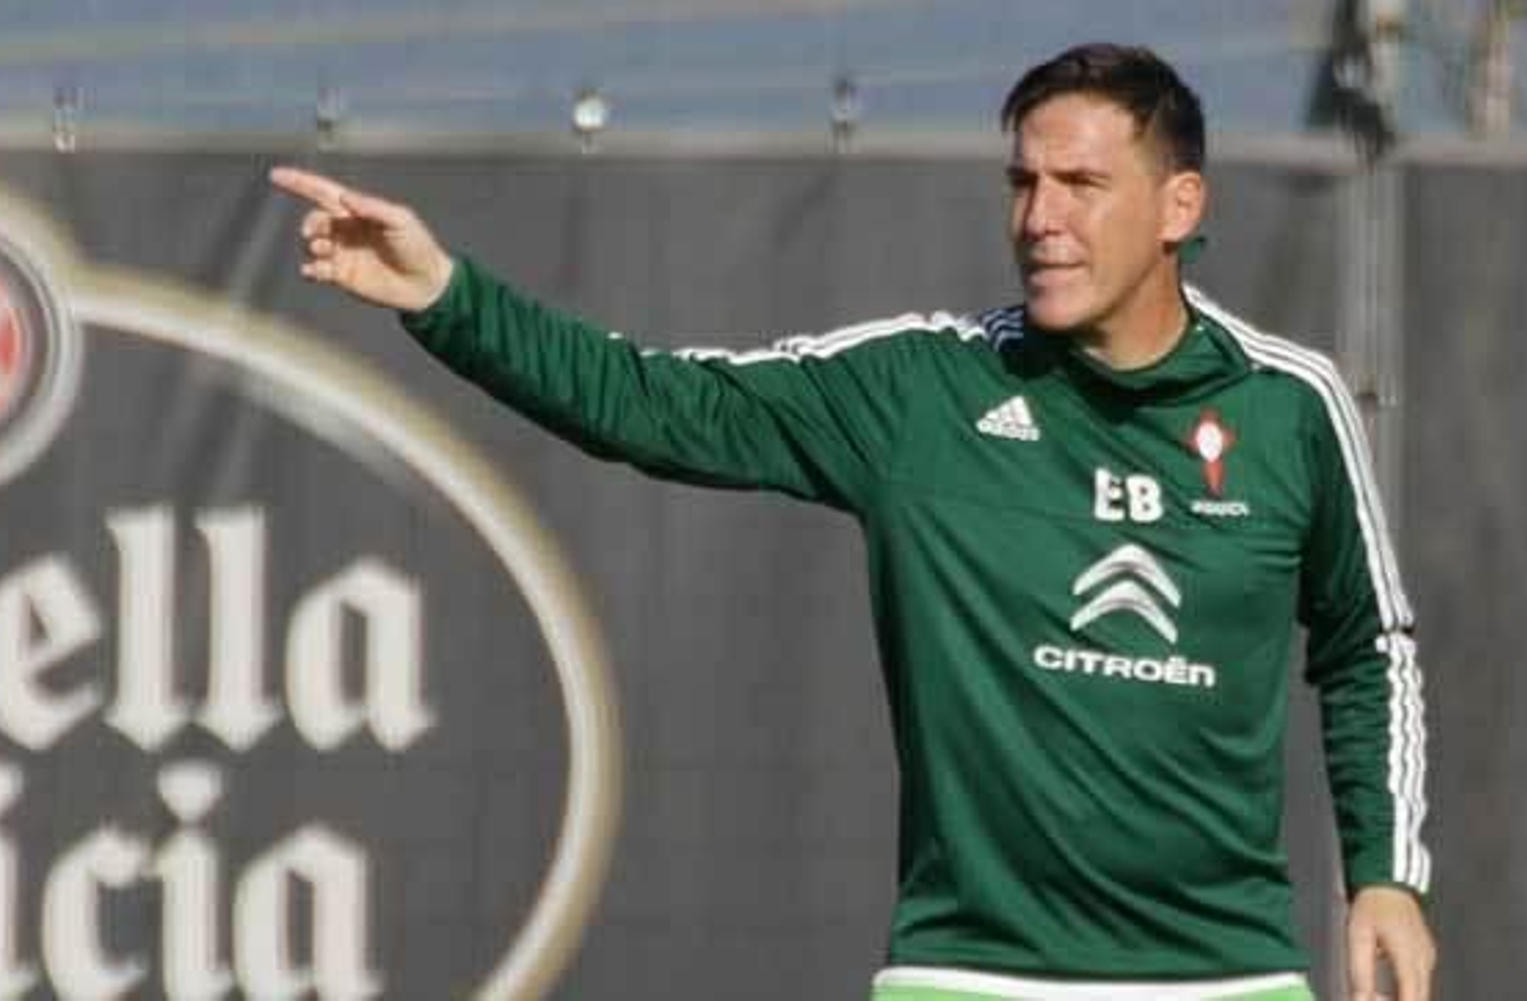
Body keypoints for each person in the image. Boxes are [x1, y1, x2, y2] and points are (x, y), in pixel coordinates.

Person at [272, 42, 1433, 1001]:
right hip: (967, 975)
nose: (1040, 218)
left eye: (1081, 186)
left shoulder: (1288, 404)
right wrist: (445, 297)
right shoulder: (920, 391)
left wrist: (1385, 874)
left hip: (1226, 980)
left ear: (1180, 203)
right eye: (1023, 182)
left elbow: (1365, 647)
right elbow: (654, 401)